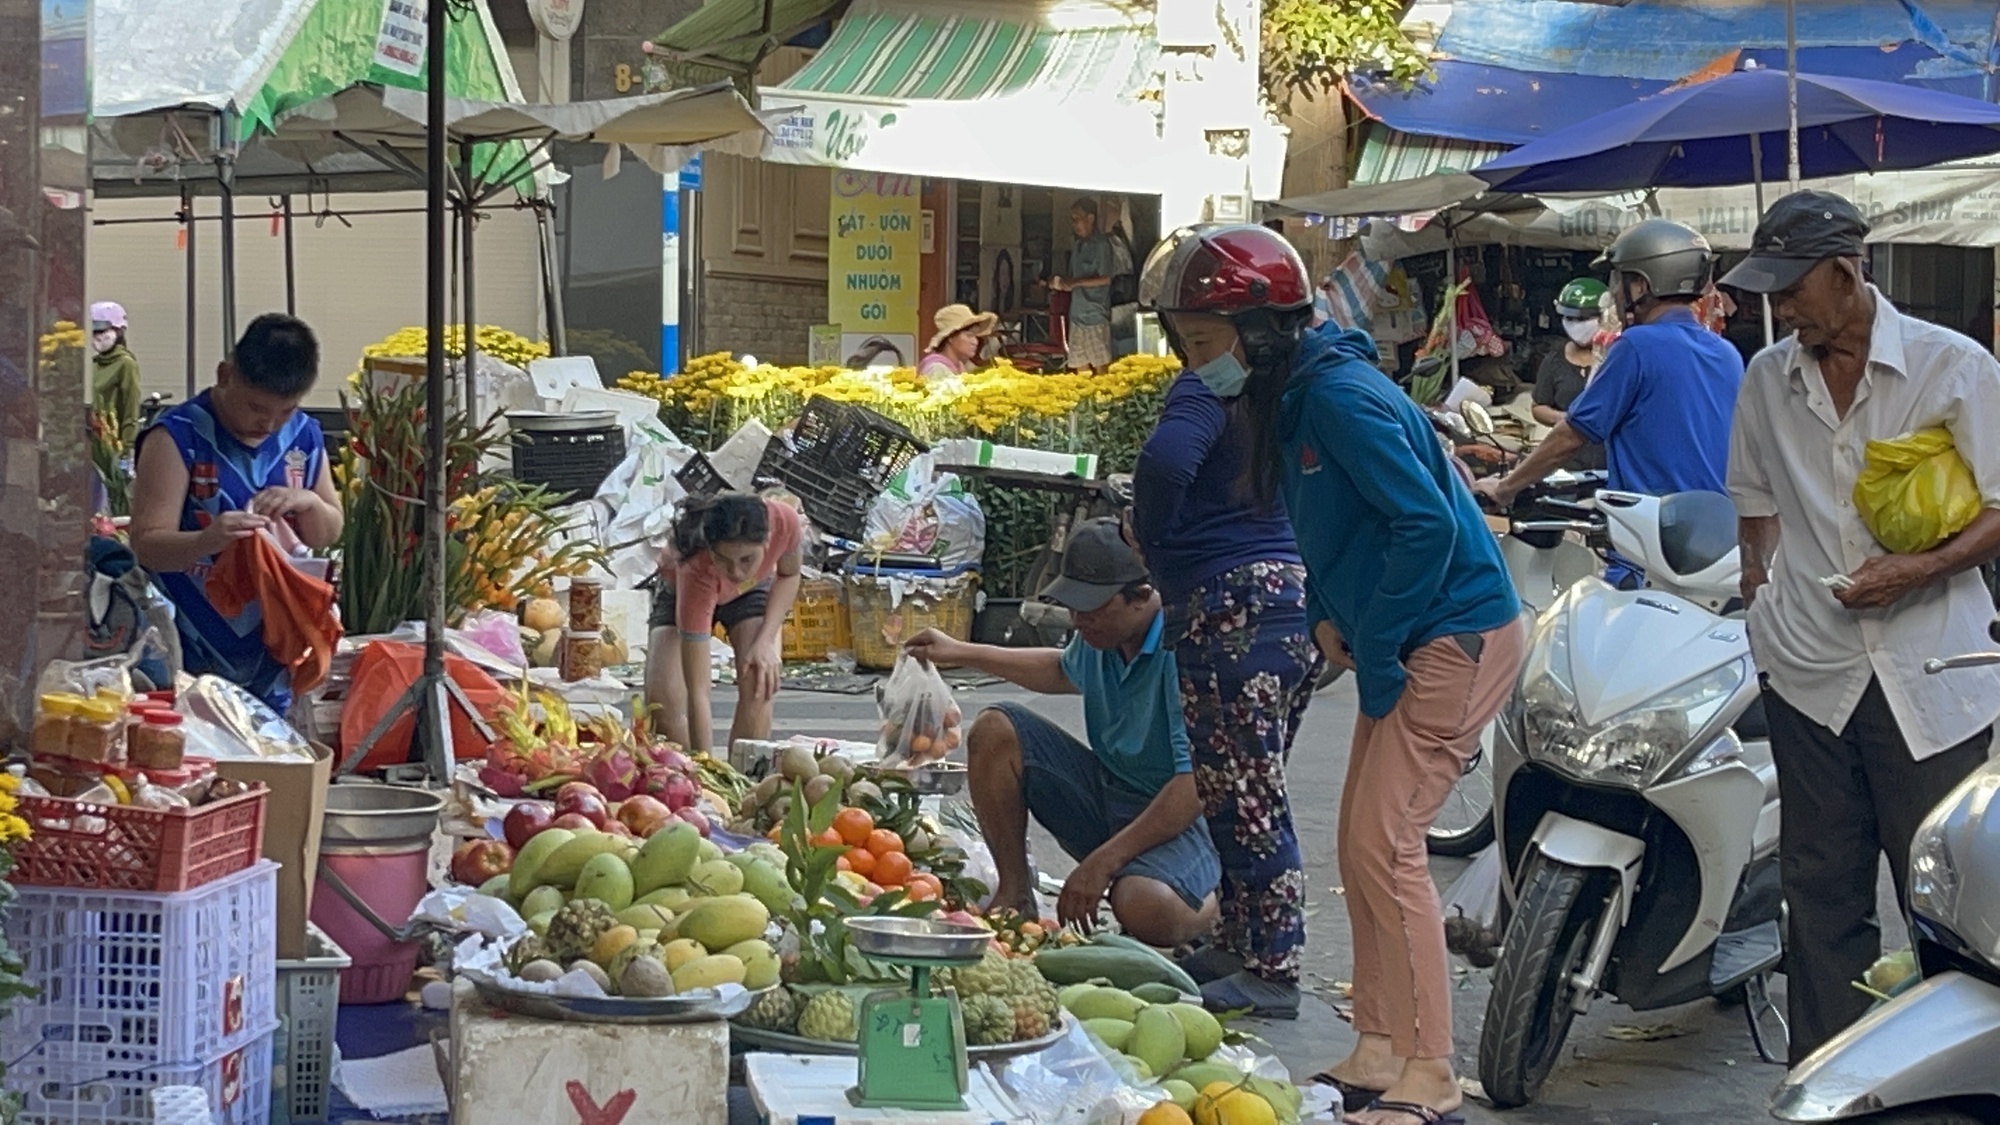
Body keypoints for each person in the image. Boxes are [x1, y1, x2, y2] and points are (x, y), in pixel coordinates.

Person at [1217, 222, 1523, 1125]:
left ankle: (1430, 1068)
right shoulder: (1300, 397)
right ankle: (1380, 1044)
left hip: (1452, 633)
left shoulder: (1341, 399)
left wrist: (1381, 643)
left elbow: (1426, 525)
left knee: (1389, 849)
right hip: (1407, 631)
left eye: (1207, 344)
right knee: (1359, 843)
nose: (1202, 368)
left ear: (1265, 333)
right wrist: (1325, 611)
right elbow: (1334, 526)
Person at [1722, 190, 2000, 1063]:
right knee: (1820, 892)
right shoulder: (1768, 376)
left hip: (1931, 674)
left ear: (1846, 274)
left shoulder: (1951, 366)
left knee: (1944, 896)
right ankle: (1826, 1081)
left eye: (1792, 288)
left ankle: (1945, 1078)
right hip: (1810, 673)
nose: (1780, 308)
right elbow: (1755, 504)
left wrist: (1915, 569)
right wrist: (1760, 590)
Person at [1132, 228, 1322, 1019]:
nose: (1191, 352)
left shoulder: (1204, 392)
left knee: (1246, 794)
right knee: (1235, 784)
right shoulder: (1279, 389)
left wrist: (1154, 542)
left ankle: (1271, 965)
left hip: (1227, 604)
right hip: (1289, 600)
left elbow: (1166, 465)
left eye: (1200, 337)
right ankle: (1241, 940)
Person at [905, 519, 1220, 948]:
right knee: (997, 727)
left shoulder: (1184, 649)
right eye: (1073, 606)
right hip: (1111, 795)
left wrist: (1103, 863)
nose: (1078, 621)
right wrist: (960, 652)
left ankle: (1216, 903)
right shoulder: (1100, 639)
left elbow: (1193, 787)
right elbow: (1058, 668)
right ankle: (1015, 894)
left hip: (1184, 819)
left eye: (1091, 609)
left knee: (1146, 906)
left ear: (1142, 598)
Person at [1473, 220, 1744, 586]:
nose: (1613, 292)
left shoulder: (1636, 347)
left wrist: (1506, 487)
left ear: (1642, 285)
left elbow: (1572, 434)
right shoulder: (1727, 354)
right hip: (1718, 546)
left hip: (1652, 552)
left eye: (1619, 279)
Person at [129, 313, 343, 711]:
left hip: (275, 644)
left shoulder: (304, 435)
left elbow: (328, 530)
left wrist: (308, 503)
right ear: (225, 375)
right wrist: (207, 540)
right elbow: (145, 544)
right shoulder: (178, 435)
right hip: (190, 640)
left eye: (286, 411)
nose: (269, 423)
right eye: (256, 407)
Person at [645, 492, 804, 756]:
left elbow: (790, 574)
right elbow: (698, 690)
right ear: (710, 548)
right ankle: (688, 774)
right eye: (725, 559)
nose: (736, 572)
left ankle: (744, 778)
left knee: (759, 678)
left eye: (747, 560)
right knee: (663, 704)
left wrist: (765, 642)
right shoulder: (696, 568)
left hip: (751, 592)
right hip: (685, 591)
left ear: (766, 541)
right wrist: (706, 766)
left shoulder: (785, 521)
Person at [1530, 278, 1607, 473]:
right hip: (1568, 462)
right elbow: (1539, 406)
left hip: (1611, 461)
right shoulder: (1555, 359)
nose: (1575, 325)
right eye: (1569, 319)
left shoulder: (1618, 357)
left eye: (1582, 320)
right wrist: (1563, 419)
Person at [1052, 197, 1115, 373]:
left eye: (1077, 219)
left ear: (1090, 218)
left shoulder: (1101, 245)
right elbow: (1072, 279)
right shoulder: (1078, 246)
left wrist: (1076, 282)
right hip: (1077, 316)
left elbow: (1106, 278)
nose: (1074, 224)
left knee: (1102, 371)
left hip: (1095, 315)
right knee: (1081, 371)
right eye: (1072, 220)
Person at [89, 301, 142, 453]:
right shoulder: (94, 364)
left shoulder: (125, 364)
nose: (97, 337)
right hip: (93, 446)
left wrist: (126, 451)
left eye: (102, 331)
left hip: (111, 448)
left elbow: (130, 411)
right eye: (94, 332)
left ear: (117, 331)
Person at [918, 304, 997, 380]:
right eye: (969, 335)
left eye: (976, 337)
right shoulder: (936, 370)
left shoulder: (959, 366)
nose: (975, 342)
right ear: (951, 337)